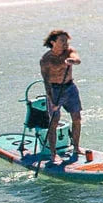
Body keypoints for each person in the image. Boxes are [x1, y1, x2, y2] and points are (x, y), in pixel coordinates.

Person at [38, 30, 84, 163]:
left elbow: (77, 60)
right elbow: (46, 82)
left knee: (77, 118)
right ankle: (53, 154)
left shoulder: (69, 51)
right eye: (62, 41)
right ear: (53, 42)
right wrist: (52, 101)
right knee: (54, 121)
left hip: (70, 88)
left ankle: (76, 147)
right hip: (54, 90)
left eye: (66, 41)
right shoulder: (46, 59)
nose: (65, 44)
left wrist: (72, 61)